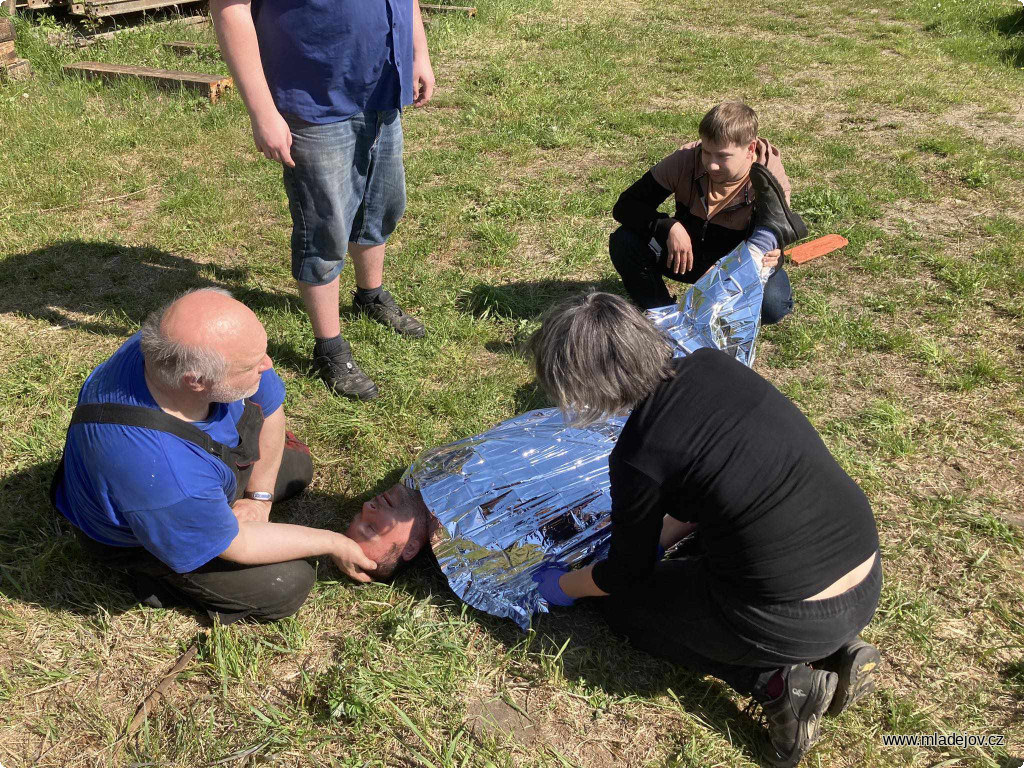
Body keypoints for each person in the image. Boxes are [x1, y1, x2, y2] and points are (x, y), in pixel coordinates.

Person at [525, 294, 881, 765]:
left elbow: (625, 576)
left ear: (583, 386)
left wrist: (566, 586)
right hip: (865, 573)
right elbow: (711, 488)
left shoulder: (639, 455)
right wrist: (654, 536)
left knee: (623, 608)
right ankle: (836, 648)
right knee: (703, 561)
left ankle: (778, 685)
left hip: (792, 616)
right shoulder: (712, 365)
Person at [51, 289, 377, 624]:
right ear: (196, 382)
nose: (269, 364)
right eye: (253, 364)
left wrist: (260, 500)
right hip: (144, 526)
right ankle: (159, 577)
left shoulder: (177, 348)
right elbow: (240, 544)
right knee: (287, 584)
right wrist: (335, 543)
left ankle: (215, 511)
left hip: (181, 479)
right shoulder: (163, 472)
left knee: (296, 467)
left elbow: (269, 406)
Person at [211, 0, 436, 400]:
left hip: (383, 84)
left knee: (381, 204)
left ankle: (370, 294)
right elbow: (230, 8)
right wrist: (262, 110)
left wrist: (418, 51)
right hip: (314, 94)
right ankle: (329, 346)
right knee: (324, 226)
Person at [609, 101, 800, 324]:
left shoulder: (769, 177)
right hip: (686, 256)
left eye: (722, 156)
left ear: (750, 149)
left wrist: (734, 269)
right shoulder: (686, 159)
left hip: (736, 266)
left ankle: (719, 305)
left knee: (771, 307)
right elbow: (626, 206)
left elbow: (771, 235)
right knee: (625, 241)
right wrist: (668, 226)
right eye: (706, 152)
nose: (711, 165)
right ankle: (666, 314)